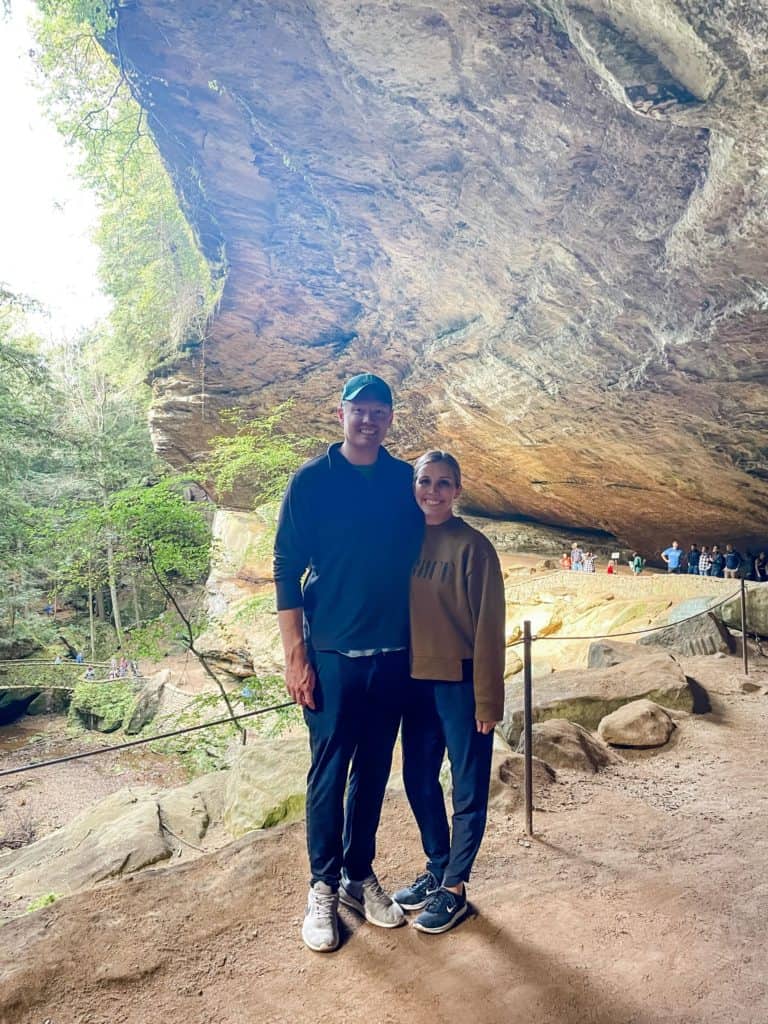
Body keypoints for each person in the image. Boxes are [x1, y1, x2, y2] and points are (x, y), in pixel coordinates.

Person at [273, 373, 424, 954]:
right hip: (331, 654)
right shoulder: (312, 482)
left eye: (378, 411)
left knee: (374, 769)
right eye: (358, 410)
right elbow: (286, 568)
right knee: (329, 771)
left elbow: (425, 551)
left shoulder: (400, 481)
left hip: (392, 654)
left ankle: (359, 876)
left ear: (390, 418)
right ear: (340, 414)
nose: (368, 420)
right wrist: (296, 657)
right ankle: (322, 885)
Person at [394, 451, 504, 934]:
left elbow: (489, 628)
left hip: (461, 683)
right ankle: (438, 864)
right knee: (418, 779)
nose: (432, 492)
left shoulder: (473, 548)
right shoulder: (403, 541)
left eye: (443, 484)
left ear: (457, 490)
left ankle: (455, 887)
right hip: (415, 683)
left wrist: (488, 699)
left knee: (467, 786)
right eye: (425, 481)